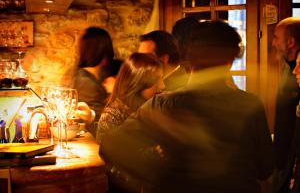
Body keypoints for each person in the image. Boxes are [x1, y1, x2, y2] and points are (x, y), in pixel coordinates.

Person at [100, 20, 274, 193]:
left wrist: (158, 172)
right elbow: (265, 168)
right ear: (229, 62)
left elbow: (110, 147)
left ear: (189, 60)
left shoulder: (162, 105)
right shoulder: (250, 105)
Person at [97, 52, 165, 143]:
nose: (162, 85)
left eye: (162, 78)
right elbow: (107, 153)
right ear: (137, 83)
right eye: (156, 79)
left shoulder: (155, 109)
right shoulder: (112, 116)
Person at [272, 17, 300, 193]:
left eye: (276, 37)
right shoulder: (289, 67)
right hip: (285, 158)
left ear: (290, 42)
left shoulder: (297, 69)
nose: (273, 43)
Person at [73, 26, 114, 134]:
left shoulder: (83, 76)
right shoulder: (85, 82)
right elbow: (104, 123)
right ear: (104, 51)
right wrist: (112, 93)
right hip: (91, 144)